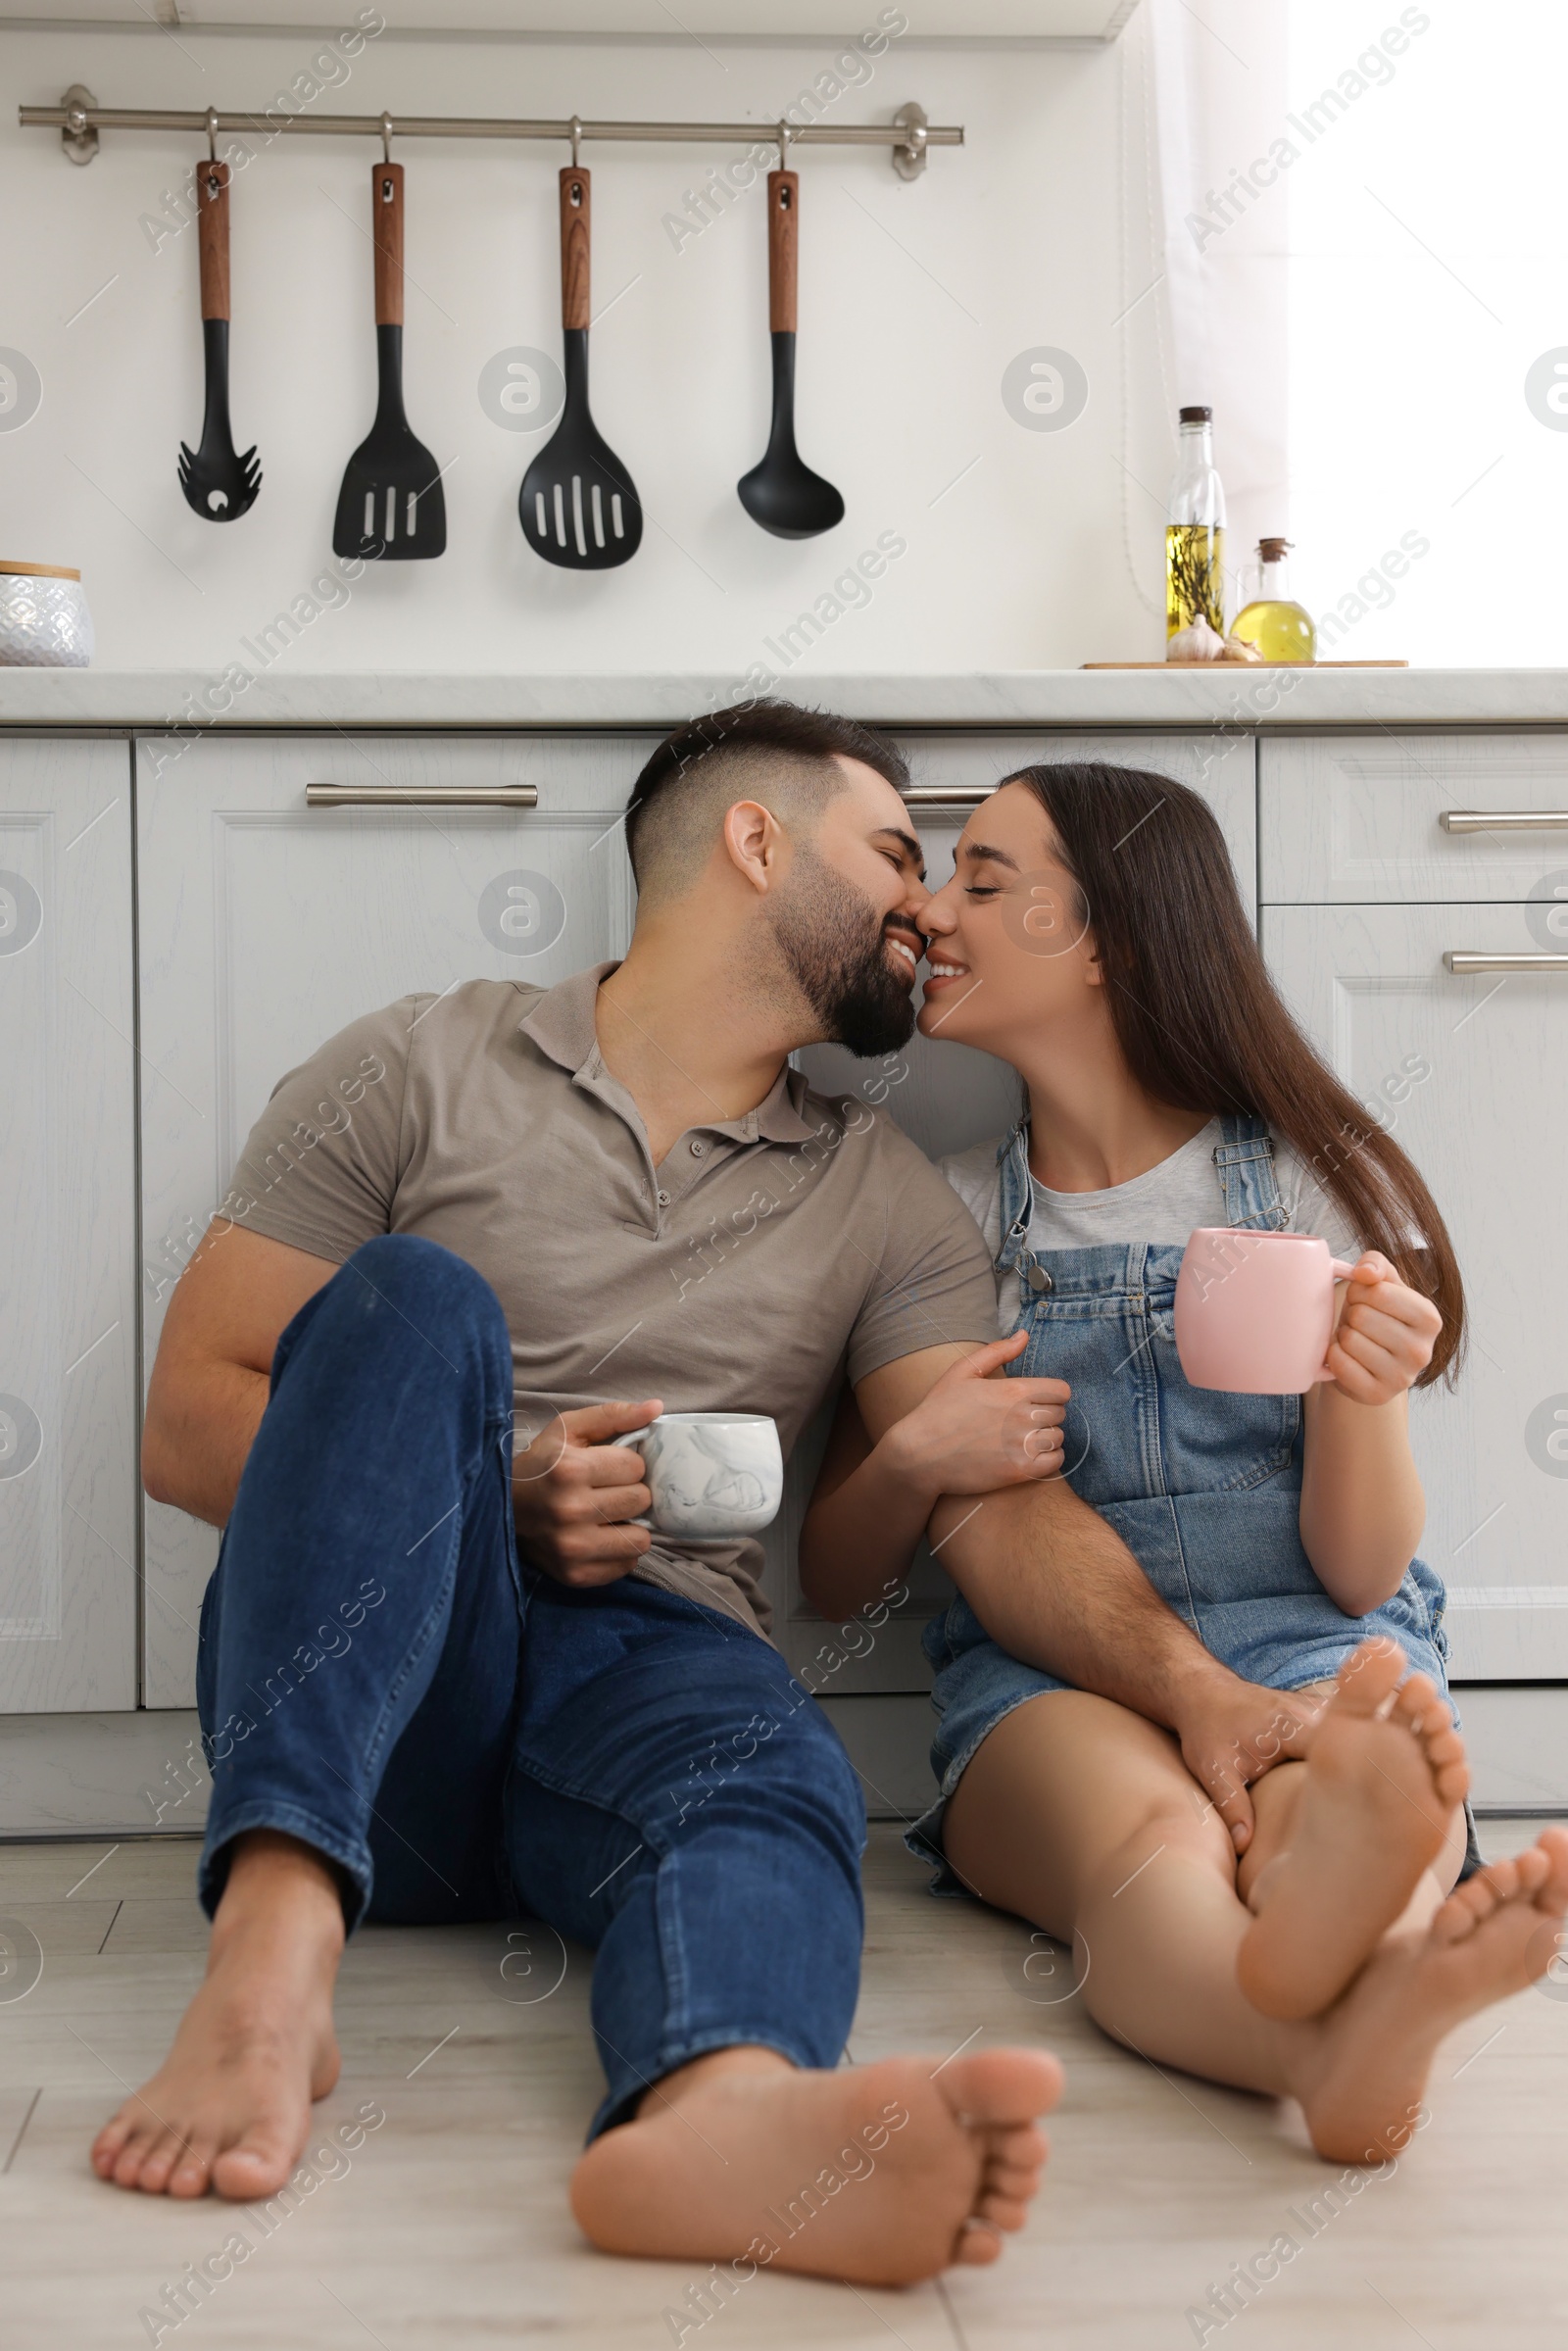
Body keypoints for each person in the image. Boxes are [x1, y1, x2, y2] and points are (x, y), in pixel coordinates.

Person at [94, 701, 1312, 2285]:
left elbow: (985, 1499)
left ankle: (718, 2113)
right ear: (756, 842)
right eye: (894, 851)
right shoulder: (415, 1061)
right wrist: (496, 1492)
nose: (921, 907)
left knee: (770, 1765)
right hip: (377, 1681)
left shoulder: (880, 1192)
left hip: (654, 1659)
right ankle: (267, 1968)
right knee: (413, 1301)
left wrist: (1199, 1689)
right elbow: (188, 1425)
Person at [800, 759, 1568, 2166]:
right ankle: (1333, 2030)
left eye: (984, 879)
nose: (926, 909)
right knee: (1144, 1838)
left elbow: (1359, 1570)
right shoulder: (951, 1217)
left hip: (1308, 1626)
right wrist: (912, 1457)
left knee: (1337, 1778)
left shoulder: (1318, 1187)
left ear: (1111, 942)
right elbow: (836, 1574)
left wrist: (1363, 1395)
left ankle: (1341, 1933)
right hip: (1052, 1679)